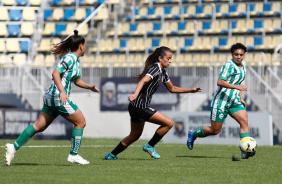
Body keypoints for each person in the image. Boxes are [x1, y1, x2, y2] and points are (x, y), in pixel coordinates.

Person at [5, 30, 99, 166]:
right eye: (85, 45)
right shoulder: (70, 58)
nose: (86, 48)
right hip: (57, 96)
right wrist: (62, 92)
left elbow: (76, 80)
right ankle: (73, 155)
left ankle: (13, 147)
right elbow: (55, 73)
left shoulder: (75, 61)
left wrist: (89, 87)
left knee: (38, 126)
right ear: (81, 46)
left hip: (51, 97)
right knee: (81, 122)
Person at [105, 46, 202, 160]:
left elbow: (172, 88)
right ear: (160, 58)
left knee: (134, 135)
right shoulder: (155, 68)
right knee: (169, 123)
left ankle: (111, 155)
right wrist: (135, 95)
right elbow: (143, 80)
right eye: (168, 58)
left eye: (171, 59)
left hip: (135, 107)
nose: (170, 61)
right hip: (141, 106)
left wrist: (190, 90)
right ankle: (150, 146)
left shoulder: (163, 72)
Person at [186, 43, 255, 159]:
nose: (239, 57)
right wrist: (238, 88)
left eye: (241, 55)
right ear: (232, 54)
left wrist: (241, 98)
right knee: (214, 130)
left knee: (244, 121)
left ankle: (245, 150)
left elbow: (237, 83)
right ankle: (193, 134)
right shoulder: (228, 65)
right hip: (221, 102)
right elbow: (220, 82)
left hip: (234, 101)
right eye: (236, 54)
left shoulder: (243, 66)